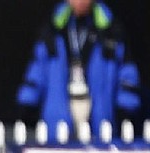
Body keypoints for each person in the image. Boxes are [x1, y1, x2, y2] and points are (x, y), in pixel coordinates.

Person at [16, 0, 141, 138]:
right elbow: (36, 71)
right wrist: (27, 103)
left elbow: (127, 73)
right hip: (58, 122)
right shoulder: (52, 30)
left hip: (100, 123)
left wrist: (125, 108)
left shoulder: (110, 31)